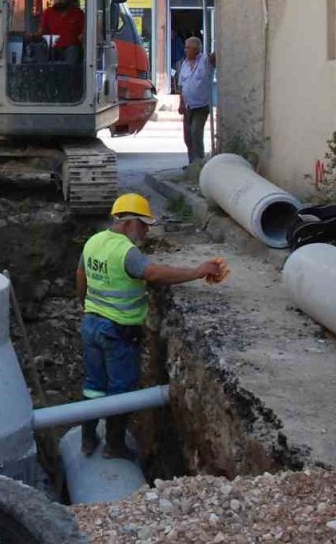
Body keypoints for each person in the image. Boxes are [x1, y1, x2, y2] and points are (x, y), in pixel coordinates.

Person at [77, 193, 228, 460]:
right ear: (128, 222)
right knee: (121, 389)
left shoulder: (93, 242)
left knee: (93, 385)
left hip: (91, 324)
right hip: (118, 331)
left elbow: (81, 275)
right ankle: (114, 444)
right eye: (143, 224)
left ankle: (88, 440)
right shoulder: (126, 251)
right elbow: (154, 274)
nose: (147, 229)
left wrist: (86, 305)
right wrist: (196, 271)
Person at [176, 36, 215, 165]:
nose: (185, 50)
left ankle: (199, 162)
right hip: (188, 106)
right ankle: (192, 163)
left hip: (201, 106)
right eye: (185, 47)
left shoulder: (205, 60)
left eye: (188, 48)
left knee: (195, 132)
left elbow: (215, 57)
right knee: (188, 136)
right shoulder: (184, 64)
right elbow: (181, 85)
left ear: (196, 49)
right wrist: (181, 103)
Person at [38, 0, 86, 64]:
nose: (59, 0)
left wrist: (82, 37)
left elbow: (84, 32)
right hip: (52, 49)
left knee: (72, 50)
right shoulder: (48, 13)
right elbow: (42, 32)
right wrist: (32, 36)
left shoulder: (78, 13)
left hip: (72, 49)